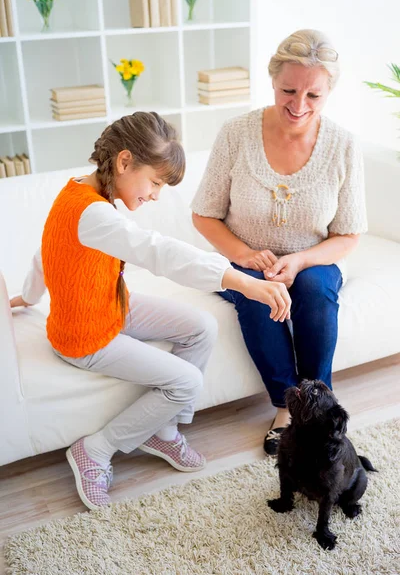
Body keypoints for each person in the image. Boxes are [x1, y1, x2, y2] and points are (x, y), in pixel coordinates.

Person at [10, 112, 291, 510]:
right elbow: (158, 252)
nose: (156, 195)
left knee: (202, 327)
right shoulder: (92, 212)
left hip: (112, 305)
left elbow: (45, 253)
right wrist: (243, 281)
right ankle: (95, 450)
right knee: (187, 383)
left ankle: (164, 430)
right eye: (155, 182)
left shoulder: (78, 191)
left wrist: (28, 296)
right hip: (85, 337)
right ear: (124, 162)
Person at [191, 29, 368, 456]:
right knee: (255, 293)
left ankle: (319, 406)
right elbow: (203, 214)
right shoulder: (236, 134)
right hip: (243, 255)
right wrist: (243, 254)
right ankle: (286, 407)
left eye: (314, 96)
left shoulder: (343, 144)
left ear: (328, 93)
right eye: (289, 90)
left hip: (313, 259)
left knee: (315, 289)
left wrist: (303, 260)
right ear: (272, 80)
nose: (299, 105)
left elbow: (348, 233)